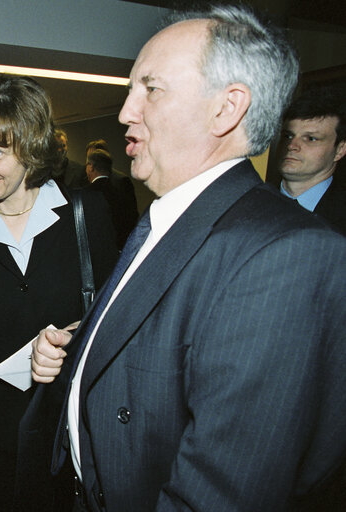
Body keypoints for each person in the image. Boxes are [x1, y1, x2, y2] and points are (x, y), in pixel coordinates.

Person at [30, 5, 346, 511]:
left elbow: (225, 492)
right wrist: (81, 351)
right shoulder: (169, 217)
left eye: (150, 90)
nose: (125, 112)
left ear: (227, 108)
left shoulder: (288, 254)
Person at [0, 75, 118, 511]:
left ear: (32, 147)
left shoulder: (85, 214)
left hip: (70, 417)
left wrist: (69, 339)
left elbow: (114, 310)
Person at [278, 84, 346, 234]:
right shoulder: (246, 202)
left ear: (340, 150)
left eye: (310, 138)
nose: (292, 145)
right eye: (288, 136)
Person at [85, 145, 139, 249]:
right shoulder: (120, 191)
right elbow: (131, 218)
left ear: (91, 167)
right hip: (120, 249)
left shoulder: (83, 195)